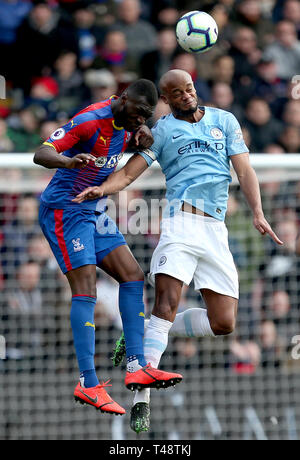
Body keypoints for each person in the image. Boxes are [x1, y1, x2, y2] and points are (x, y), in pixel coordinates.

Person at [73, 69, 283, 432]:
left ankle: (137, 332)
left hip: (216, 230)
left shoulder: (225, 120)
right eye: (176, 92)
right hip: (180, 225)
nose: (186, 95)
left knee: (223, 323)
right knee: (166, 304)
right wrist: (103, 189)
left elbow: (245, 171)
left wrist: (258, 213)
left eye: (189, 88)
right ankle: (142, 399)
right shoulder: (163, 130)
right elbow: (129, 174)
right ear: (166, 100)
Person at [33, 78, 182, 417]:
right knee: (85, 290)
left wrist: (138, 136)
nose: (141, 120)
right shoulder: (89, 120)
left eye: (147, 116)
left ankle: (135, 365)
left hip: (92, 209)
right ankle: (87, 383)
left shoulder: (128, 123)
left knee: (132, 275)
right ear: (123, 98)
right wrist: (67, 162)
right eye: (139, 113)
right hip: (64, 210)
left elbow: (127, 138)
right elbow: (41, 153)